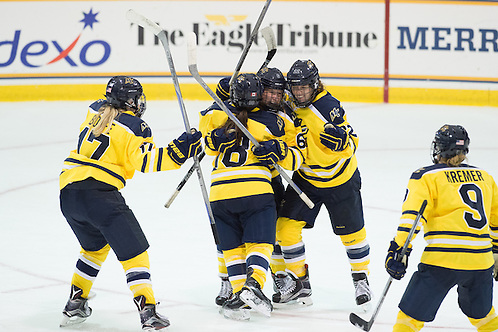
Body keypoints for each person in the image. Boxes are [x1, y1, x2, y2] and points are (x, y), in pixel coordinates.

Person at [59, 76, 202, 330]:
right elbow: (146, 162)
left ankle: (76, 301)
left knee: (94, 248)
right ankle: (148, 310)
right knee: (135, 253)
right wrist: (179, 150)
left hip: (69, 194)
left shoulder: (94, 110)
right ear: (129, 101)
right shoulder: (137, 126)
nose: (139, 102)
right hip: (100, 196)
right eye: (136, 98)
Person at [199, 73, 305, 320]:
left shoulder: (219, 116)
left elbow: (206, 134)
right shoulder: (274, 122)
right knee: (262, 242)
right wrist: (281, 151)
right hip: (256, 188)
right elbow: (297, 156)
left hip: (219, 192)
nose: (274, 97)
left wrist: (221, 99)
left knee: (232, 247)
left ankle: (238, 295)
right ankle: (253, 284)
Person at [272, 59, 372, 310]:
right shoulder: (288, 105)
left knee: (352, 234)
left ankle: (361, 278)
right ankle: (300, 283)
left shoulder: (328, 106)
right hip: (307, 180)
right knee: (284, 228)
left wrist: (343, 143)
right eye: (295, 87)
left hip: (341, 180)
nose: (300, 92)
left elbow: (353, 141)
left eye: (305, 87)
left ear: (315, 84)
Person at [385, 124, 498, 332]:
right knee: (484, 316)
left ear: (440, 148)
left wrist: (399, 249)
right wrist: (496, 251)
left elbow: (412, 218)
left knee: (408, 319)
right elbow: (496, 219)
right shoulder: (485, 177)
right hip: (481, 262)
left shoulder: (426, 176)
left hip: (442, 260)